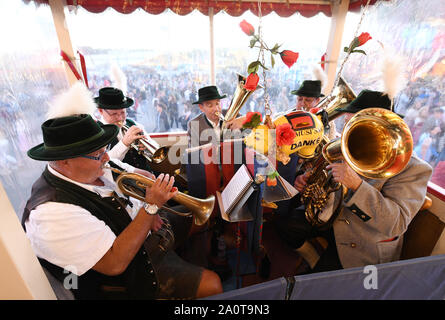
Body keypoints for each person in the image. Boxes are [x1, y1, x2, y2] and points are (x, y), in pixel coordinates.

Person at [22, 111, 222, 299]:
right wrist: (150, 209)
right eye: (98, 154)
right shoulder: (50, 213)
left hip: (147, 231)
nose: (107, 157)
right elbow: (115, 262)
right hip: (132, 270)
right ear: (66, 161)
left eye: (105, 150)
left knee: (203, 215)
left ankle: (200, 258)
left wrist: (150, 201)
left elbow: (143, 178)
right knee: (213, 285)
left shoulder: (96, 168)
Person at [275, 89, 433, 272]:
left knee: (318, 284)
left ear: (378, 128)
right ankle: (312, 257)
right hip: (331, 215)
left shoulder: (413, 168)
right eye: (347, 123)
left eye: (354, 124)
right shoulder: (349, 143)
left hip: (362, 238)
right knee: (284, 224)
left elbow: (395, 224)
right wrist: (305, 181)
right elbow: (324, 175)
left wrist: (357, 186)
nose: (346, 133)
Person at [95, 87, 158, 172]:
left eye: (123, 112)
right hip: (121, 181)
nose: (120, 118)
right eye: (114, 114)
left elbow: (155, 149)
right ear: (101, 111)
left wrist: (146, 148)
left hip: (147, 173)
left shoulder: (133, 124)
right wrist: (124, 143)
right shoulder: (96, 132)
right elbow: (103, 164)